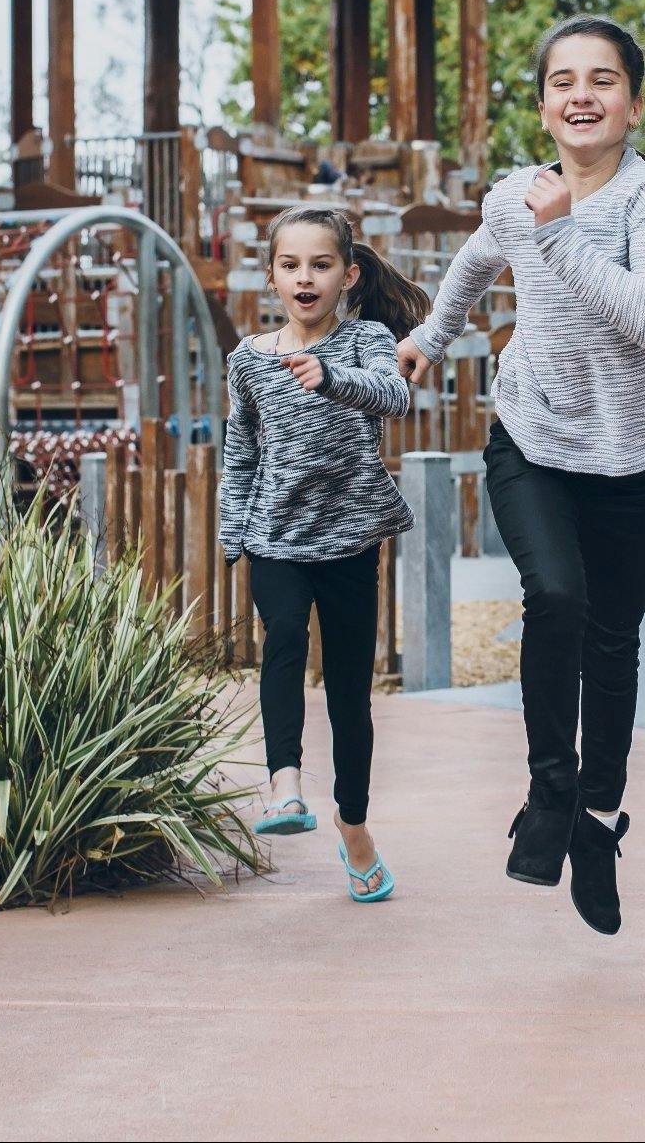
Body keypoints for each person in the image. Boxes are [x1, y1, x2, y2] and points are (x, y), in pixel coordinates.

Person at [397, 14, 645, 936]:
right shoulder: (513, 197)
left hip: (626, 455)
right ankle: (549, 792)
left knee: (612, 641)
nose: (583, 94)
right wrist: (430, 337)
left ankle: (597, 822)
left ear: (634, 104)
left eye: (604, 79)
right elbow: (478, 262)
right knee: (554, 597)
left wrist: (560, 235)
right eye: (564, 80)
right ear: (543, 105)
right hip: (529, 433)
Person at [219, 205, 432, 904]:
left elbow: (395, 394)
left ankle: (356, 828)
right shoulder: (249, 359)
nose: (304, 277)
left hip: (347, 541)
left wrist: (330, 377)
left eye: (319, 264)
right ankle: (284, 785)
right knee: (281, 638)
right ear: (273, 275)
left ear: (348, 273)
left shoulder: (367, 338)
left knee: (349, 694)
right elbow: (240, 451)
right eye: (290, 264)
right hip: (275, 536)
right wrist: (231, 532)